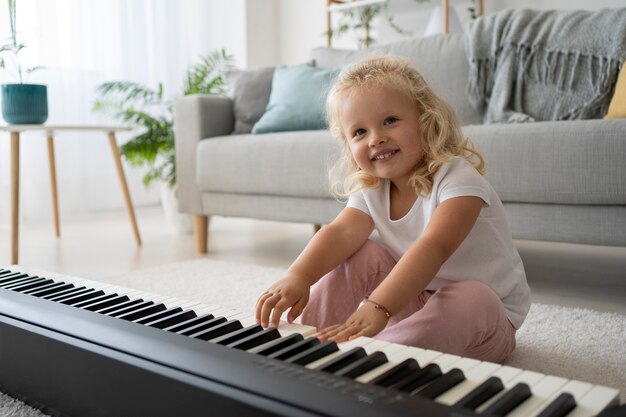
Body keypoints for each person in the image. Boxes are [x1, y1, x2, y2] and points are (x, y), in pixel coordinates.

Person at [255, 56, 530, 363]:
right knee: (362, 252)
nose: (377, 138)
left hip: (484, 323)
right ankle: (302, 341)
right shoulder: (373, 187)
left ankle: (375, 359)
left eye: (390, 121)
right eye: (359, 132)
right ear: (348, 144)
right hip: (412, 303)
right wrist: (299, 276)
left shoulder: (458, 179)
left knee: (473, 296)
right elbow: (341, 231)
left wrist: (379, 306)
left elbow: (434, 246)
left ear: (425, 119)